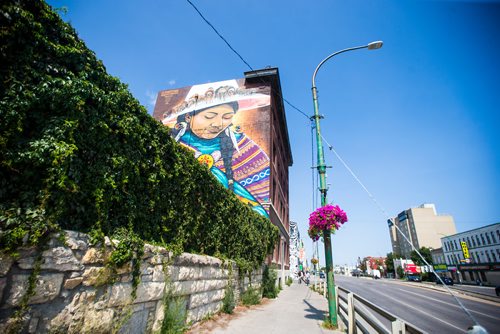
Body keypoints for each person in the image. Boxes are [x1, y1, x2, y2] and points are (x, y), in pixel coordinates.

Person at [160, 81, 270, 217]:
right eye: (209, 116)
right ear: (188, 116)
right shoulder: (173, 141)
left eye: (227, 117)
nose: (218, 124)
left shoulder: (245, 147)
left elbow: (263, 207)